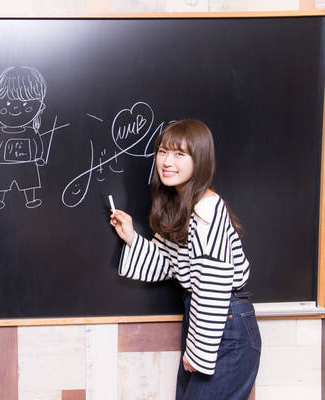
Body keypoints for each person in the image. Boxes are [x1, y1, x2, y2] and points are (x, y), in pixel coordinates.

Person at [109, 120, 261, 399]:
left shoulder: (207, 209)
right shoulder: (181, 206)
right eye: (163, 152)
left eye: (179, 154)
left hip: (224, 326)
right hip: (206, 322)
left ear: (199, 160)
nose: (167, 162)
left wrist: (199, 352)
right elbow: (167, 264)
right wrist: (131, 236)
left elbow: (213, 284)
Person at [0, 66, 47, 210]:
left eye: (25, 104)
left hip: (26, 164)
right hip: (2, 164)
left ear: (40, 108)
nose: (15, 109)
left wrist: (38, 157)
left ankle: (31, 199)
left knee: (29, 182)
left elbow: (37, 144)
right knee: (0, 183)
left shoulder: (31, 132)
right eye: (7, 103)